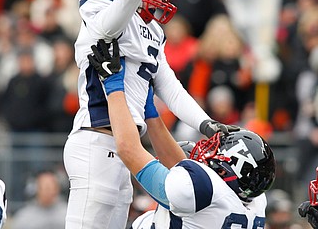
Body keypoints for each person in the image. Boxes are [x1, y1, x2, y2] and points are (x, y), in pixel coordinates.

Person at [63, 0, 239, 228]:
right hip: (96, 141)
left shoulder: (154, 31)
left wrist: (207, 124)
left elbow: (171, 88)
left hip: (126, 147)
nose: (158, 1)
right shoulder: (101, 10)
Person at [87, 38, 276, 228]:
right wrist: (150, 110)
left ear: (233, 170)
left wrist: (113, 86)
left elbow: (128, 149)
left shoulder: (200, 189)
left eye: (217, 152)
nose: (207, 151)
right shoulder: (254, 202)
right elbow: (179, 167)